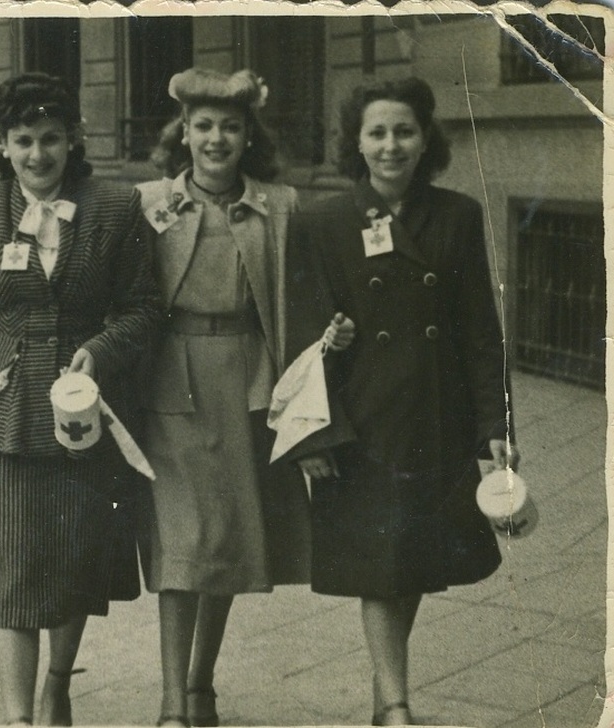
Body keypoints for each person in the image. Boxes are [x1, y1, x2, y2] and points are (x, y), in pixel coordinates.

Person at [285, 76, 519, 726]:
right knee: (381, 569)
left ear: (425, 140)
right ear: (355, 143)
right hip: (361, 422)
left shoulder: (459, 215)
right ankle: (395, 706)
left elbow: (480, 331)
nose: (391, 145)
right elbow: (300, 336)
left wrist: (494, 426)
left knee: (410, 562)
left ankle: (385, 694)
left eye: (404, 131)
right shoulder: (319, 221)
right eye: (378, 132)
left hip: (436, 420)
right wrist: (313, 438)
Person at [0, 72, 161, 726]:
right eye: (23, 140)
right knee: (15, 573)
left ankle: (56, 683)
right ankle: (17, 718)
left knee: (74, 566)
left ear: (75, 139)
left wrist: (104, 349)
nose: (38, 155)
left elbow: (145, 310)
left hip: (84, 415)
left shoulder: (115, 208)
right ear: (0, 143)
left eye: (51, 139)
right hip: (1, 422)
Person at [135, 68, 354, 728]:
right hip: (170, 387)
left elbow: (303, 300)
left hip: (248, 388)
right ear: (183, 135)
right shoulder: (148, 203)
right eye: (203, 126)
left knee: (226, 543)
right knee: (182, 545)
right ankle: (174, 700)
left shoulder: (280, 205)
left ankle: (202, 683)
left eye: (230, 127)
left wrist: (311, 415)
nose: (216, 139)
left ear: (247, 138)